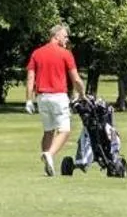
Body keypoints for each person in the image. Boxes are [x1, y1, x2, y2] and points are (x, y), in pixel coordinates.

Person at [24, 23, 85, 177]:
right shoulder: (65, 54)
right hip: (58, 96)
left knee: (48, 131)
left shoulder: (37, 53)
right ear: (56, 36)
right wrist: (82, 94)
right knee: (65, 130)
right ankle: (49, 155)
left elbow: (30, 78)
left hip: (42, 98)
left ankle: (48, 162)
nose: (67, 39)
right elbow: (76, 79)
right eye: (65, 36)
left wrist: (29, 100)